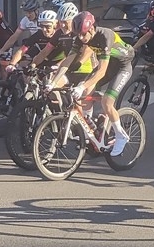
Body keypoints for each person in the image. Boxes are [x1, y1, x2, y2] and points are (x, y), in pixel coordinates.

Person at [49, 12, 135, 156]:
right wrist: (52, 83)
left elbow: (101, 72)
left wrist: (81, 86)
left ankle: (121, 135)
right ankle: (91, 129)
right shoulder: (80, 38)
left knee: (107, 102)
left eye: (84, 34)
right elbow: (68, 61)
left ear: (92, 28)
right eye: (78, 35)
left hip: (122, 67)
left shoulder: (105, 35)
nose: (81, 38)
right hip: (107, 64)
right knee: (84, 93)